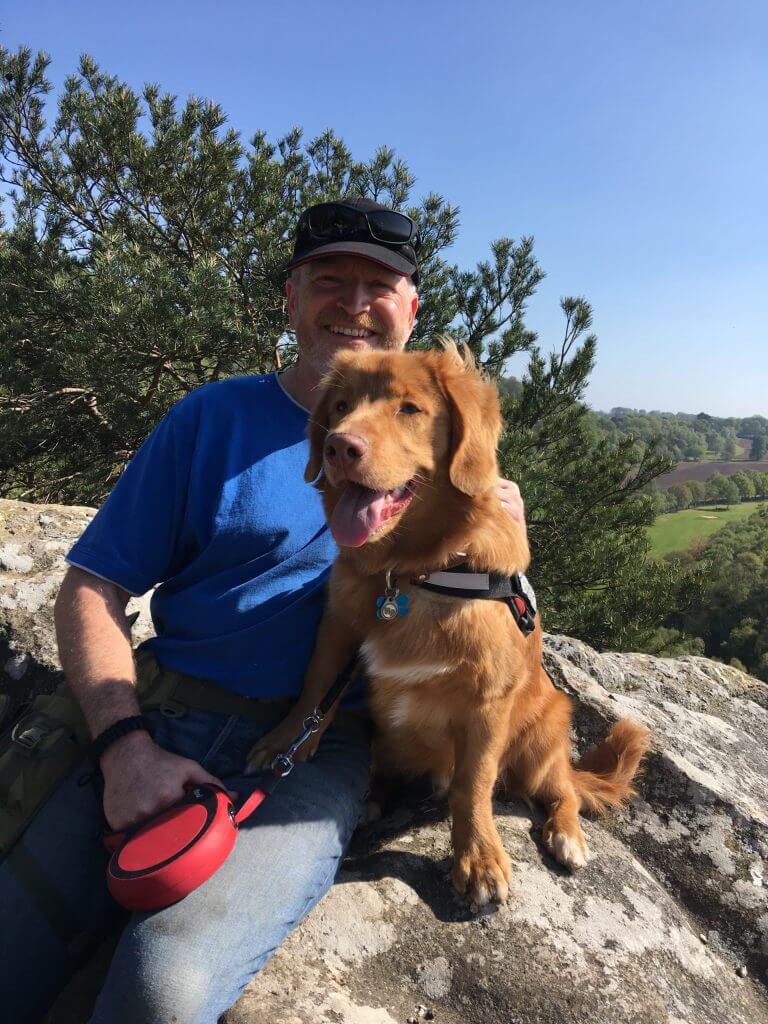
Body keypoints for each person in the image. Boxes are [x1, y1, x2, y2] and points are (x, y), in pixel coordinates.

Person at [0, 197, 528, 1024]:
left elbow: (492, 641)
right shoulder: (209, 419)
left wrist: (491, 545)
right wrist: (123, 747)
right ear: (290, 297)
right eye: (330, 280)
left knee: (159, 992)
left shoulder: (439, 449)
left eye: (378, 285)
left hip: (319, 753)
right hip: (160, 712)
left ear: (411, 306)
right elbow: (91, 589)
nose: (354, 303)